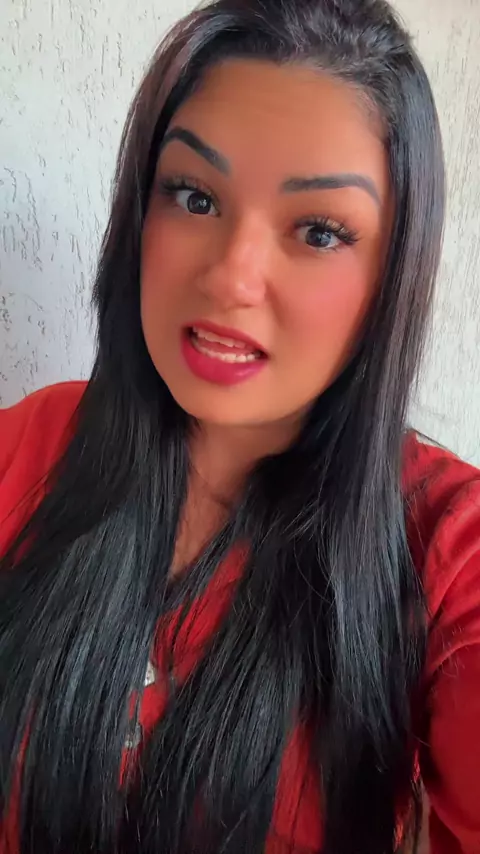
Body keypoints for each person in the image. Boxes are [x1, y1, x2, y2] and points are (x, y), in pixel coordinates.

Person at [1, 0, 479, 851]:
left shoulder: (445, 545)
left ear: (392, 274)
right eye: (194, 196)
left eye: (319, 231)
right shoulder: (33, 443)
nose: (231, 277)